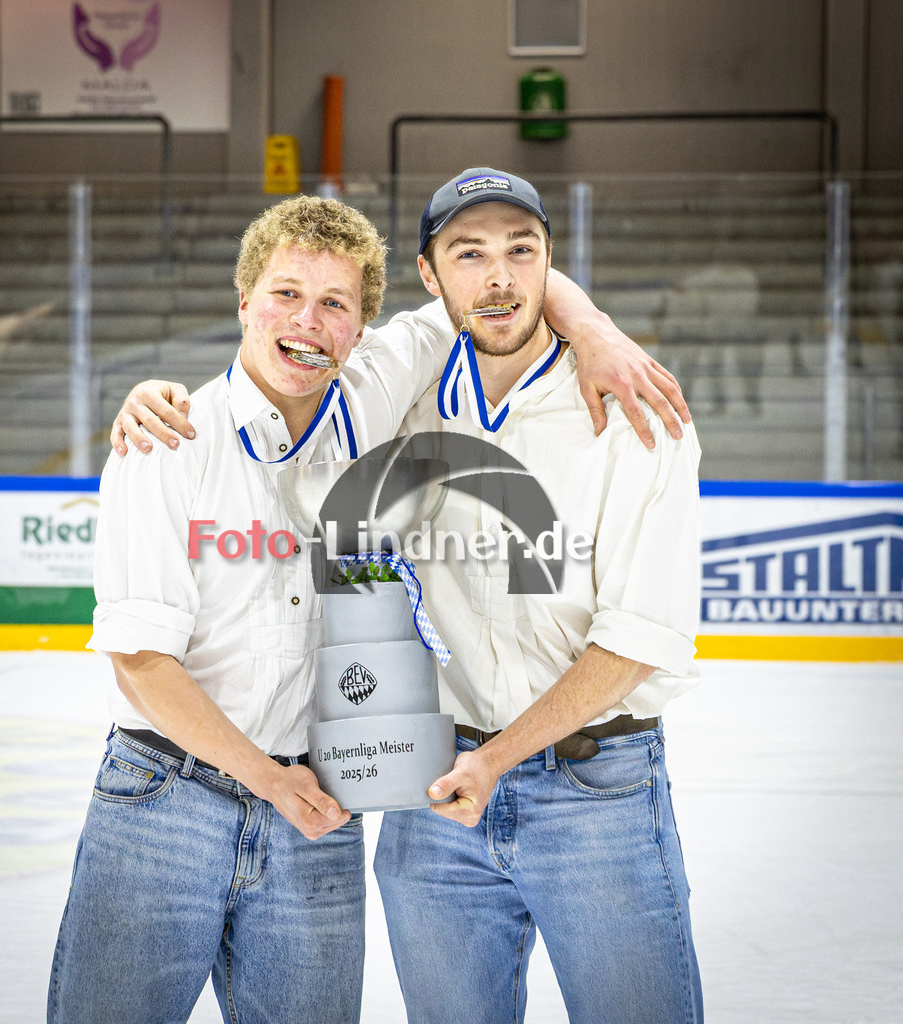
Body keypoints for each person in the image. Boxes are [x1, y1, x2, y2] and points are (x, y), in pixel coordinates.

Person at [51, 191, 687, 1024]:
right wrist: (270, 786)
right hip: (170, 799)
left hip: (324, 807)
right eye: (286, 294)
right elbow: (139, 661)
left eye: (335, 304)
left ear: (362, 330)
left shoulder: (380, 385)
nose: (308, 322)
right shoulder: (169, 440)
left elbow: (494, 285)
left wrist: (598, 332)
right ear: (245, 302)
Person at [372, 169, 704, 1024]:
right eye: (469, 253)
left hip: (596, 791)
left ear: (550, 263)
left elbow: (638, 640)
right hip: (438, 789)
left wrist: (498, 759)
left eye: (522, 252)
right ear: (429, 276)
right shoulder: (402, 393)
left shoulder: (636, 410)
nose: (499, 277)